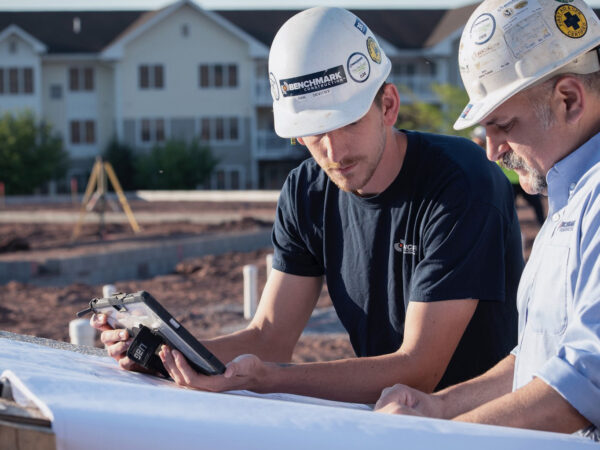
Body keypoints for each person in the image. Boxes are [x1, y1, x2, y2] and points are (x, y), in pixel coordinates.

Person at [92, 7, 523, 404]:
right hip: (390, 416)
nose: (334, 151)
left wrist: (267, 378)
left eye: (348, 122)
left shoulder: (461, 183)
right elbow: (268, 337)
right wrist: (164, 352)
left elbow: (419, 369)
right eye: (314, 131)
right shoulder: (307, 192)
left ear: (388, 106)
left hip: (488, 425)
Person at [375, 0, 600, 438]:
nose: (492, 150)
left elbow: (586, 381)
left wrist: (439, 438)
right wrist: (438, 406)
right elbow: (541, 358)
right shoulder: (570, 193)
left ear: (569, 99)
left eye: (503, 125)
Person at [471, 126, 546, 226]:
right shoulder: (491, 153)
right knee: (510, 209)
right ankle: (511, 229)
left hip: (519, 181)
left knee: (534, 205)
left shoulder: (495, 150)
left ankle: (542, 223)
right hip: (511, 184)